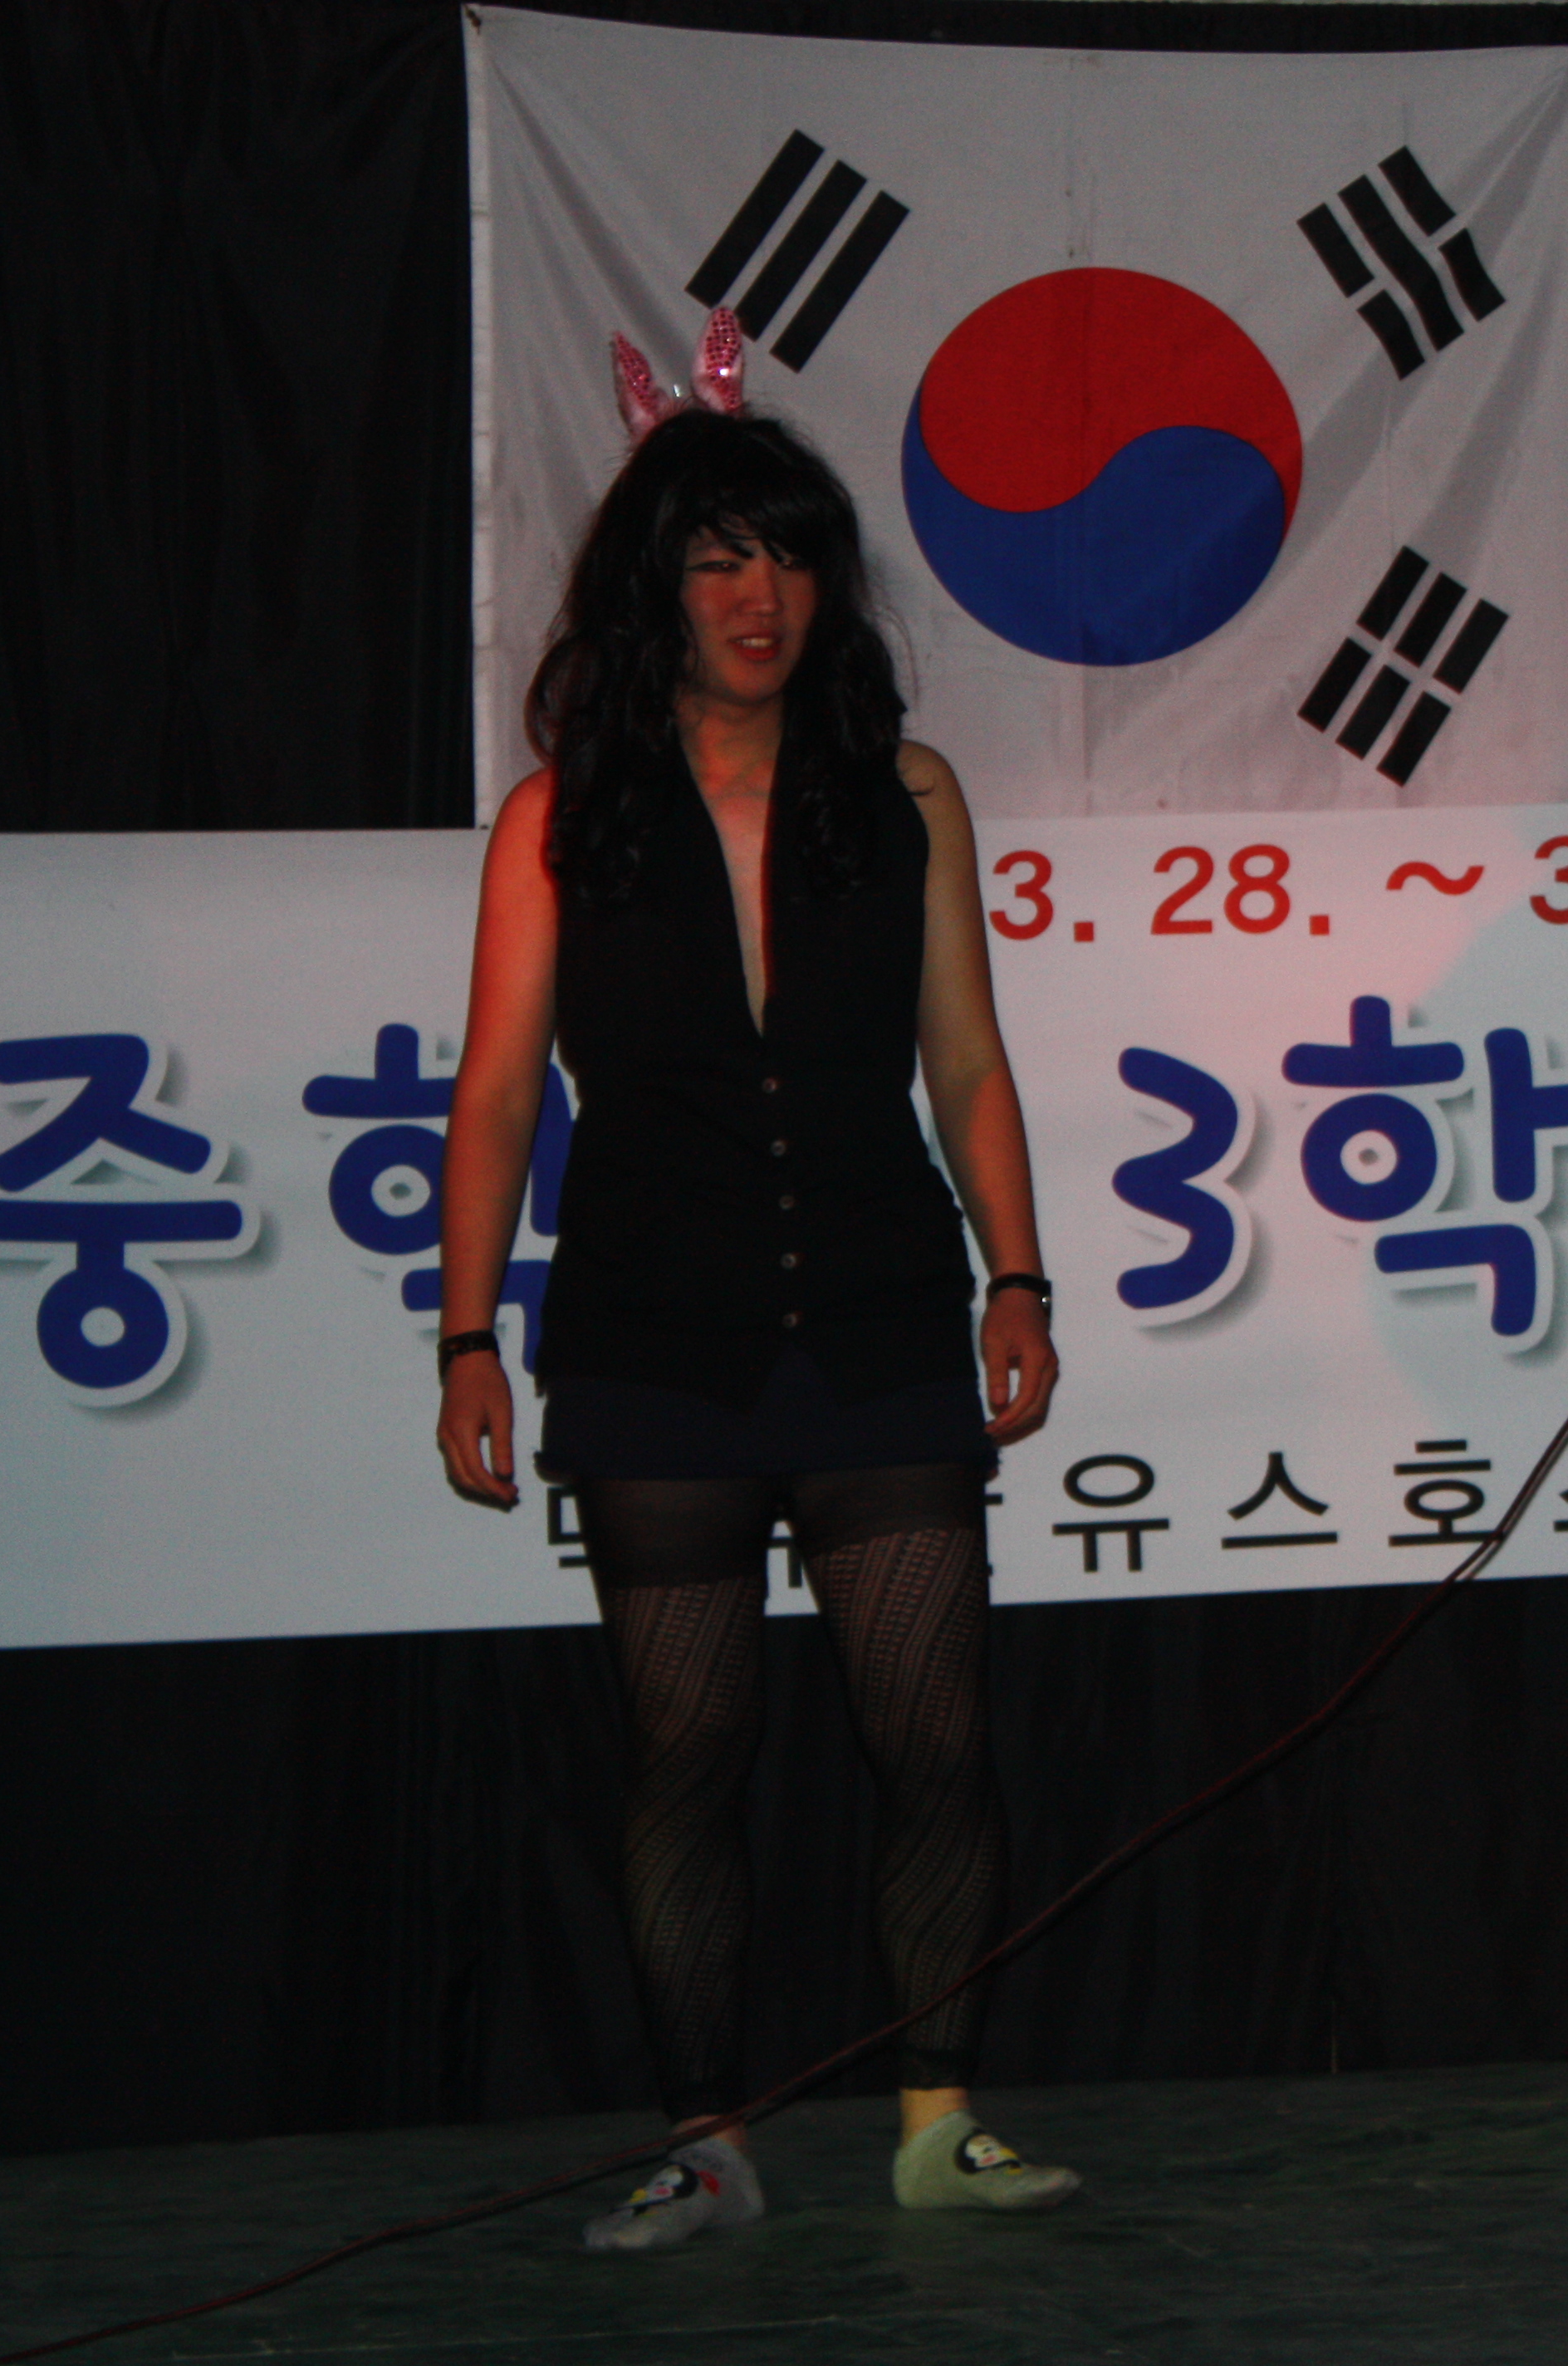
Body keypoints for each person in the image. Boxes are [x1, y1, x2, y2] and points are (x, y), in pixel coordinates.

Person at [434, 315, 1073, 2248]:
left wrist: (1019, 1276)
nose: (759, 596)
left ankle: (939, 2111)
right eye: (718, 559)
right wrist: (465, 1332)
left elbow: (968, 1060)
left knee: (934, 1733)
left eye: (788, 557)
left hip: (876, 1308)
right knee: (687, 1751)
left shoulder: (909, 792)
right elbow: (495, 1093)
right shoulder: (561, 815)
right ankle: (704, 2133)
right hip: (653, 1328)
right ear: (657, 586)